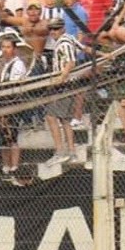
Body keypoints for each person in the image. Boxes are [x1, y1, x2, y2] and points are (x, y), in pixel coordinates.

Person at [44, 18, 80, 165]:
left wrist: (61, 78)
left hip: (62, 85)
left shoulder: (64, 43)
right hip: (67, 85)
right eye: (51, 29)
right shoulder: (69, 39)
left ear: (62, 29)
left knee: (51, 117)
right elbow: (85, 48)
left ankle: (60, 151)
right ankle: (71, 152)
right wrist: (104, 55)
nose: (53, 32)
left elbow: (71, 62)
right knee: (65, 119)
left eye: (56, 29)